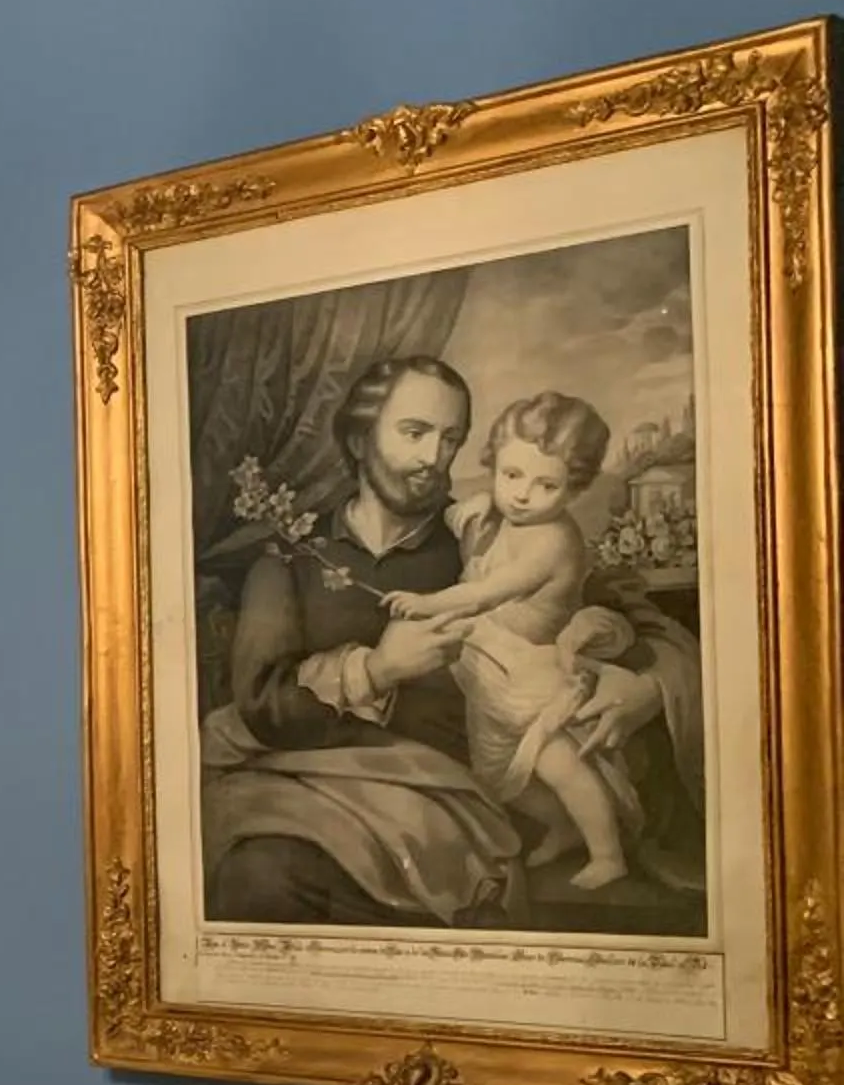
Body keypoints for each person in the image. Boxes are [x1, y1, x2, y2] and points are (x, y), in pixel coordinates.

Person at [202, 356, 687, 928]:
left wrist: (648, 684)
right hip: (309, 794)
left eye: (451, 439)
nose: (434, 457)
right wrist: (378, 670)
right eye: (415, 433)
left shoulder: (488, 532)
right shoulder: (292, 557)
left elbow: (637, 622)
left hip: (453, 812)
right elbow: (263, 702)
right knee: (259, 878)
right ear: (359, 440)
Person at [382, 391, 635, 890]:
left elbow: (487, 592)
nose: (522, 495)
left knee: (558, 763)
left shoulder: (552, 540)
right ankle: (564, 828)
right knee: (499, 777)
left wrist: (427, 603)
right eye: (512, 475)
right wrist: (469, 509)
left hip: (536, 672)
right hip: (493, 672)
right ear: (494, 465)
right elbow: (462, 519)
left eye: (547, 485)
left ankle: (609, 854)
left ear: (574, 489)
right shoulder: (504, 515)